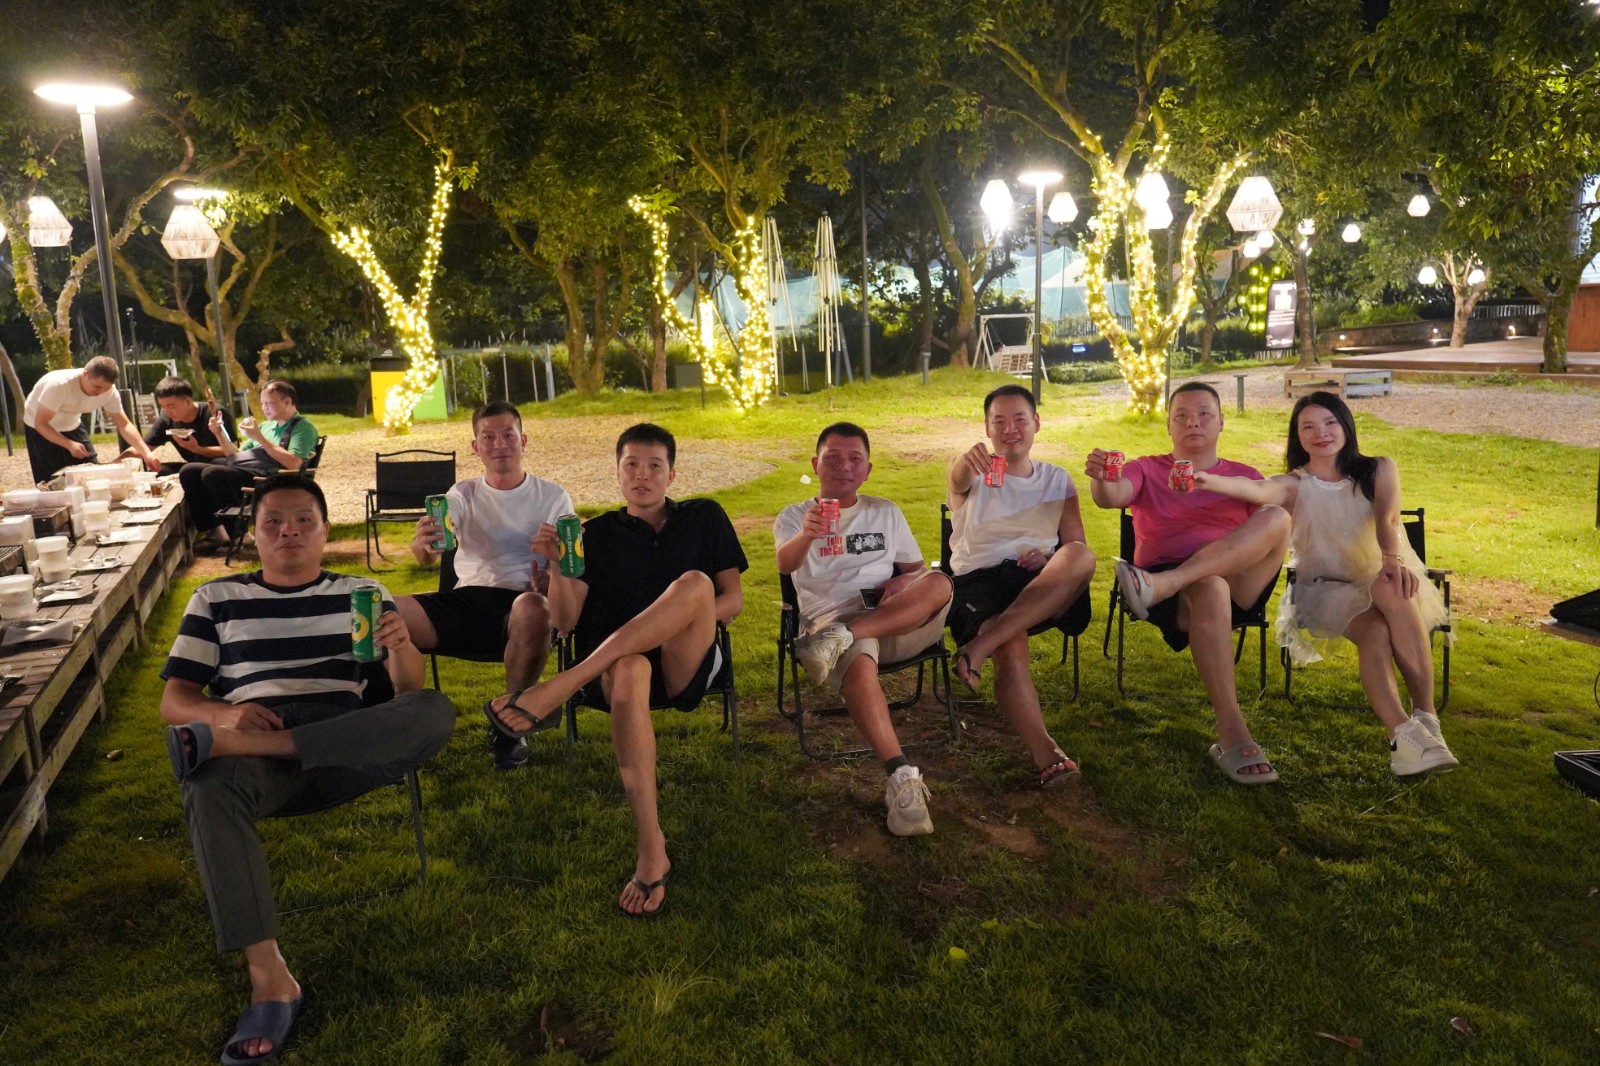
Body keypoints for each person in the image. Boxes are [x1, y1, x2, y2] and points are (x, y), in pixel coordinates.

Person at [159, 472, 454, 1065]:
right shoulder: (216, 599)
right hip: (253, 732)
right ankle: (271, 980)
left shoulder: (362, 591)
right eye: (273, 522)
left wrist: (402, 646)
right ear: (254, 533)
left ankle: (260, 746)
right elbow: (176, 700)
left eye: (303, 521)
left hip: (345, 739)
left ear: (324, 531)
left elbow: (406, 692)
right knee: (208, 789)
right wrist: (226, 714)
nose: (288, 531)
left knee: (433, 710)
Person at [486, 423, 746, 917]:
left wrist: (677, 620)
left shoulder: (704, 516)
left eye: (654, 466)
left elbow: (732, 599)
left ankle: (564, 684)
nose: (642, 475)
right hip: (619, 675)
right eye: (631, 465)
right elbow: (565, 621)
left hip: (683, 658)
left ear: (672, 474)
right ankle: (651, 846)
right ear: (618, 471)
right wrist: (559, 565)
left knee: (695, 584)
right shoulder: (594, 535)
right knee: (629, 666)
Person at [1190, 391, 1457, 776]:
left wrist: (1390, 559)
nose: (1321, 433)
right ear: (1297, 436)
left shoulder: (1379, 469)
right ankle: (1408, 732)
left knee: (1390, 593)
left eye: (1330, 422)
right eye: (1309, 427)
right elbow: (1257, 490)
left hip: (1382, 574)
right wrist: (1207, 480)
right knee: (1377, 626)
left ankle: (1422, 721)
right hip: (1325, 589)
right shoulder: (1294, 484)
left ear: (1346, 425)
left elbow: (1387, 519)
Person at [1086, 381, 1290, 785]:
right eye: (1181, 415)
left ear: (1221, 422)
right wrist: (1102, 476)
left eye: (1203, 414)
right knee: (1210, 585)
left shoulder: (1244, 476)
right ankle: (1233, 732)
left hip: (1223, 582)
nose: (1193, 422)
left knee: (1278, 518)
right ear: (1168, 425)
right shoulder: (1147, 468)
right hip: (1179, 594)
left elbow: (1271, 527)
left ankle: (1164, 583)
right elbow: (1111, 497)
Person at [776, 422, 955, 835]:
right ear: (815, 464)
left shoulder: (885, 511)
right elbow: (785, 564)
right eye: (833, 457)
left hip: (892, 621)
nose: (844, 466)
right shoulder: (794, 516)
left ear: (868, 469)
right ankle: (901, 776)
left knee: (940, 581)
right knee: (857, 660)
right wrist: (806, 534)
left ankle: (845, 637)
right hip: (830, 619)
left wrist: (901, 584)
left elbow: (914, 569)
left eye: (855, 458)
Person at [394, 400, 574, 771]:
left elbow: (572, 562)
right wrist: (423, 544)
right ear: (476, 447)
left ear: (523, 440)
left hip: (523, 604)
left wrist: (553, 574)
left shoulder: (552, 497)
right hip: (465, 601)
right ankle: (397, 727)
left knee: (533, 607)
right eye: (488, 437)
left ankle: (511, 724)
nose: (499, 444)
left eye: (508, 435)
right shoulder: (462, 494)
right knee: (384, 610)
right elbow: (430, 551)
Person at [944, 384, 1096, 787]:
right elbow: (957, 478)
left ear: (1036, 423)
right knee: (1011, 642)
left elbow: (1075, 542)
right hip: (981, 581)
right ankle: (1046, 752)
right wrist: (964, 461)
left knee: (1081, 556)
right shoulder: (972, 473)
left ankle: (980, 646)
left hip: (1041, 580)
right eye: (999, 421)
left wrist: (1049, 559)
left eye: (1019, 419)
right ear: (987, 428)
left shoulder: (1058, 479)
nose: (1010, 429)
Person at [179, 380, 319, 552]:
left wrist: (259, 438)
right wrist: (219, 433)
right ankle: (216, 531)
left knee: (213, 473)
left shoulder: (303, 428)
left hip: (276, 479)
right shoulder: (266, 426)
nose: (264, 408)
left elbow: (293, 464)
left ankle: (241, 535)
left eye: (269, 403)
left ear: (287, 402)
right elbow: (236, 456)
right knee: (189, 471)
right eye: (263, 403)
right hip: (253, 471)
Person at [21, 356, 160, 483]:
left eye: (106, 388)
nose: (100, 392)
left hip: (72, 424)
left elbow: (124, 424)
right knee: (52, 481)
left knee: (93, 475)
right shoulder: (58, 385)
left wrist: (146, 453)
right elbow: (41, 423)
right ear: (85, 374)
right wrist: (68, 444)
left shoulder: (109, 392)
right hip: (39, 427)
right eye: (97, 386)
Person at [120, 375, 237, 476]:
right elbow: (142, 448)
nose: (167, 411)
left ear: (188, 401)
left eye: (171, 406)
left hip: (220, 466)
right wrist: (116, 463)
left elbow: (234, 450)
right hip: (191, 468)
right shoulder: (167, 421)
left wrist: (197, 449)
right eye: (163, 407)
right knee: (158, 470)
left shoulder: (214, 413)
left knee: (214, 465)